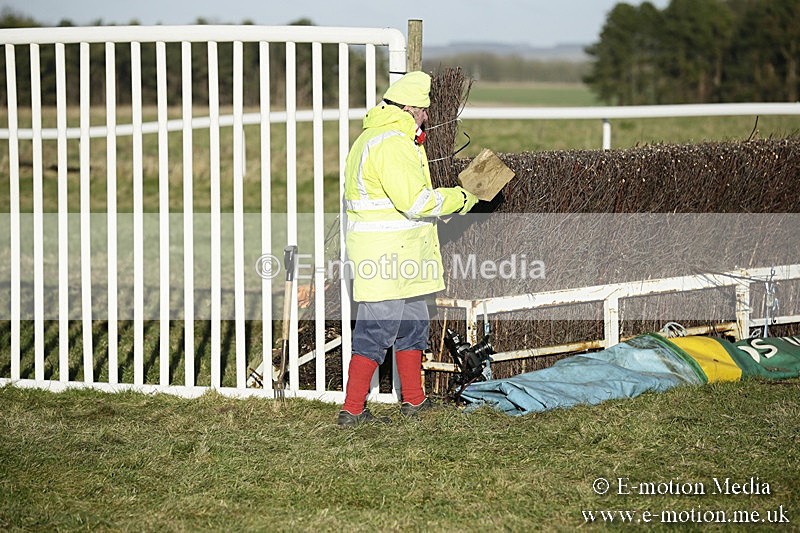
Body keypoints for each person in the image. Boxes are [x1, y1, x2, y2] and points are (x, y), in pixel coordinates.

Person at [338, 71, 479, 427]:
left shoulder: (380, 138)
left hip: (403, 255)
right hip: (388, 257)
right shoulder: (392, 143)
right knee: (376, 332)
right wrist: (461, 199)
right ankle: (352, 411)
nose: (427, 116)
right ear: (407, 108)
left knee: (413, 325)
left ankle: (414, 401)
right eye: (422, 110)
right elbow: (415, 202)